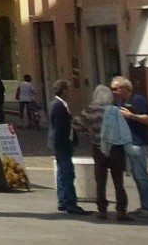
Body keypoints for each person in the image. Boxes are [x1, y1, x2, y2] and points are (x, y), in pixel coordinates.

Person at [76, 84, 133, 221]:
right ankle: (121, 210)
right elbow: (122, 129)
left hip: (99, 148)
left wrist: (88, 132)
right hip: (116, 148)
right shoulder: (115, 110)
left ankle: (102, 210)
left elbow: (76, 124)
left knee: (100, 180)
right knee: (118, 181)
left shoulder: (90, 110)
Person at [111, 75, 148, 217]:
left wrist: (132, 116)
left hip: (139, 142)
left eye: (116, 89)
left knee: (142, 175)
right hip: (128, 143)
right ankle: (144, 206)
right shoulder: (120, 103)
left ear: (126, 88)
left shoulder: (137, 100)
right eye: (112, 89)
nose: (114, 92)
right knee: (136, 175)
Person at [50, 80, 89, 214]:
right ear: (64, 91)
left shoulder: (57, 104)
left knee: (62, 173)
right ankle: (70, 202)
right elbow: (61, 129)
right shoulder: (59, 106)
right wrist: (68, 143)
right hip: (63, 145)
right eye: (68, 90)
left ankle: (63, 200)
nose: (69, 93)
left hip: (59, 145)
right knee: (68, 174)